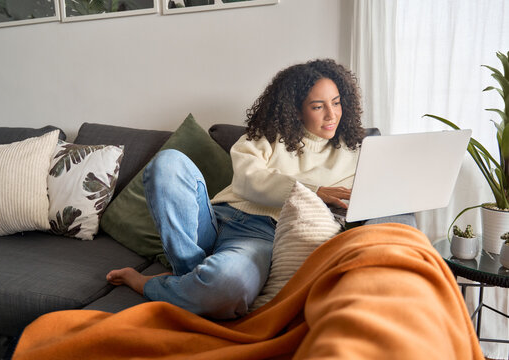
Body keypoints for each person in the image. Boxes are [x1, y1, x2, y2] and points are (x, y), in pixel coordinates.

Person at [106, 58, 415, 320]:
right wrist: (315, 190)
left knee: (225, 288)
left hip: (261, 238)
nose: (332, 114)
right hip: (216, 219)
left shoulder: (359, 154)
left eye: (336, 103)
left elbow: (375, 203)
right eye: (318, 106)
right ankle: (189, 275)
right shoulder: (265, 137)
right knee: (167, 162)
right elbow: (248, 180)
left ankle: (153, 285)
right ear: (296, 110)